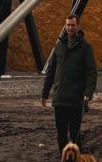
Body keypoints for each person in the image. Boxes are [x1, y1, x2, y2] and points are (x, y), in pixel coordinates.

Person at [41, 12, 97, 153]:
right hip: (59, 98)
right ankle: (63, 157)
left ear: (78, 26)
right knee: (61, 136)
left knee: (74, 135)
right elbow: (51, 72)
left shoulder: (85, 47)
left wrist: (88, 92)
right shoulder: (59, 45)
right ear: (65, 26)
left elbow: (91, 72)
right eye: (68, 25)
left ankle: (76, 158)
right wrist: (44, 93)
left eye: (73, 25)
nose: (70, 28)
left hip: (76, 99)